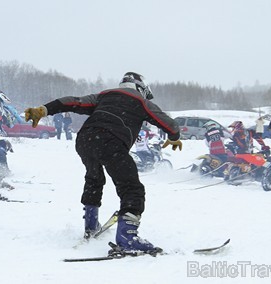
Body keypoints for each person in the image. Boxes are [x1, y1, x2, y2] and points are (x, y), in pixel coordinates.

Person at [24, 72, 181, 254]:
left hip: (85, 139)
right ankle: (127, 237)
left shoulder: (103, 95)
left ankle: (91, 225)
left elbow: (72, 101)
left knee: (94, 178)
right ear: (141, 88)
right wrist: (174, 136)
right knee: (131, 188)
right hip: (111, 141)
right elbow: (170, 124)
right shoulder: (141, 101)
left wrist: (43, 110)